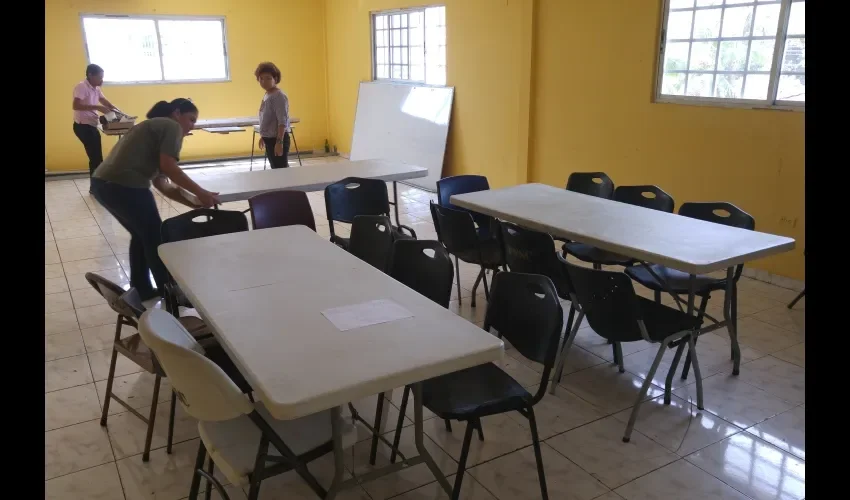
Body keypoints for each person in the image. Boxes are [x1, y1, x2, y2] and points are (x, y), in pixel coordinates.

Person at [90, 98, 220, 301]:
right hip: (125, 186)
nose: (192, 126)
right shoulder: (170, 126)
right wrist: (202, 192)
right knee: (156, 237)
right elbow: (170, 168)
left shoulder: (152, 127)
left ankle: (142, 289)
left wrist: (195, 202)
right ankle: (172, 293)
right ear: (177, 113)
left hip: (103, 185)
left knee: (142, 235)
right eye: (191, 119)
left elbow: (163, 183)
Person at [72, 64, 121, 179]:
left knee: (96, 157)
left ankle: (96, 185)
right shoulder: (82, 87)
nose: (102, 80)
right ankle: (96, 186)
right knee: (96, 158)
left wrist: (118, 111)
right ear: (90, 75)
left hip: (91, 125)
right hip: (83, 127)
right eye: (99, 77)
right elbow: (76, 105)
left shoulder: (96, 88)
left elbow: (105, 101)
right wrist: (97, 107)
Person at [255, 62, 291, 169]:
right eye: (261, 78)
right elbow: (267, 119)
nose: (263, 82)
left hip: (277, 138)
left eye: (268, 78)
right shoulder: (268, 94)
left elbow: (282, 121)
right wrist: (263, 136)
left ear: (275, 78)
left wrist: (279, 142)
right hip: (269, 139)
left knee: (281, 170)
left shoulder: (278, 96)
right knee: (275, 168)